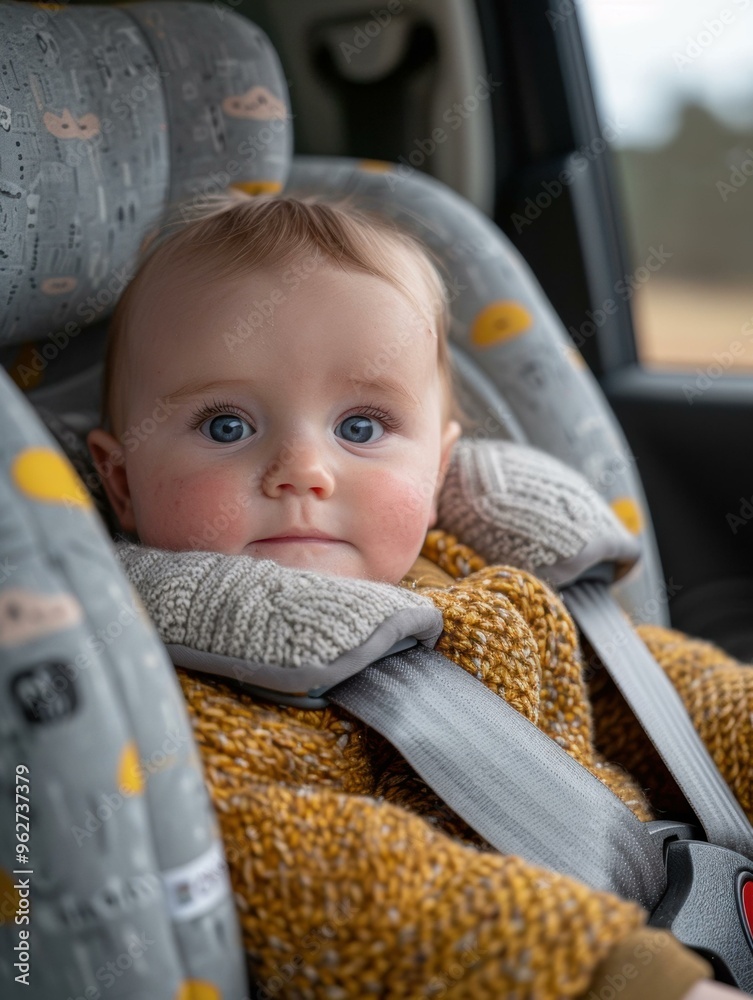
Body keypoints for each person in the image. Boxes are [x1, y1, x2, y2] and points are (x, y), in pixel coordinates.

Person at [88, 194, 747, 1000]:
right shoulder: (174, 690)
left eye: (360, 427)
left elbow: (654, 688)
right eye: (226, 425)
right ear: (121, 484)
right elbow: (309, 869)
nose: (304, 469)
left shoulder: (467, 572)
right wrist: (613, 974)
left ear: (436, 473)